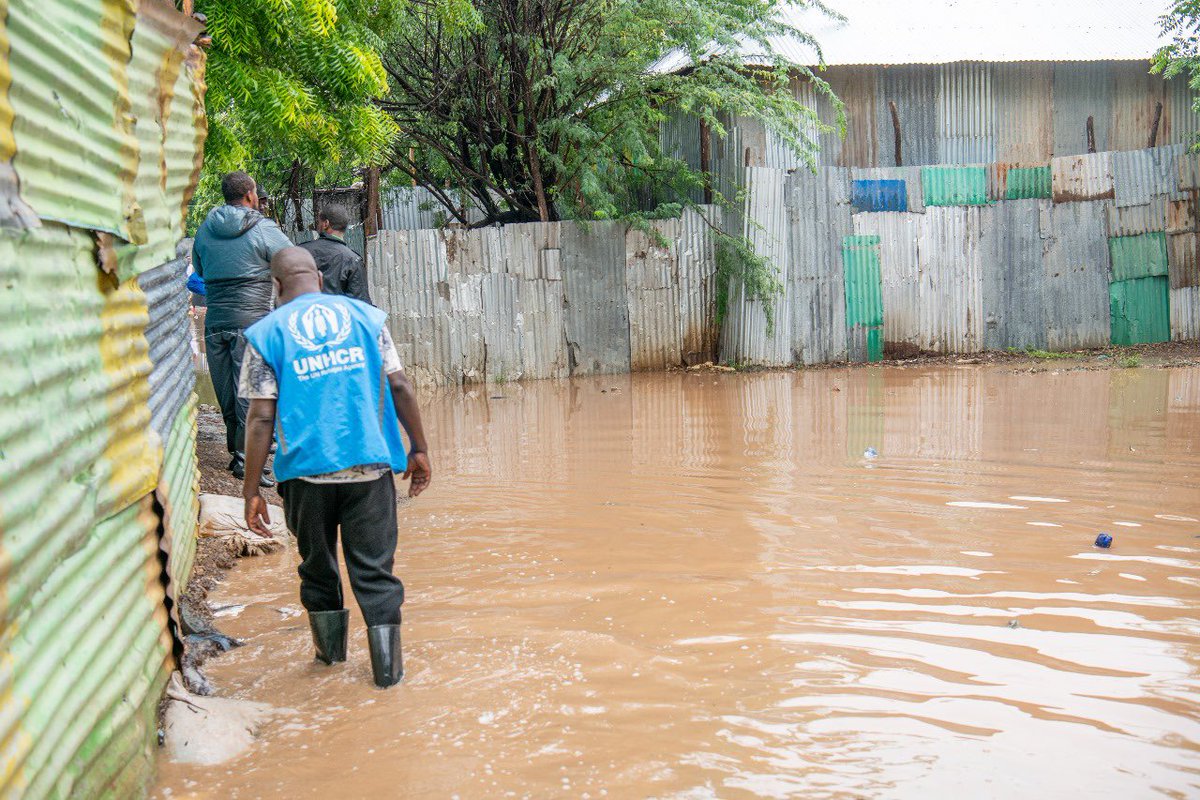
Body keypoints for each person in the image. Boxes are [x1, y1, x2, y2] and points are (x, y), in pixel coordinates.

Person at [240, 247, 432, 688]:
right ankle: (388, 680)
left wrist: (252, 491)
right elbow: (398, 384)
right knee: (375, 571)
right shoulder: (368, 319)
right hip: (369, 467)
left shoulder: (265, 334)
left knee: (318, 568)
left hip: (305, 475)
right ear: (320, 281)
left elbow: (262, 417)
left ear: (276, 288)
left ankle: (328, 669)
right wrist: (418, 447)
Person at [193, 171, 292, 485]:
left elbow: (199, 268)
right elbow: (290, 260)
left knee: (227, 395)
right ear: (250, 194)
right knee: (251, 395)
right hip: (253, 324)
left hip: (216, 323)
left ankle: (239, 455)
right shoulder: (263, 227)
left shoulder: (205, 229)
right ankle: (245, 462)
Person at [299, 205, 372, 303]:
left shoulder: (301, 251)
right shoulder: (353, 260)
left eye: (319, 222)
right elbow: (361, 304)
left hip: (305, 315)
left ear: (326, 223)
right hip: (337, 317)